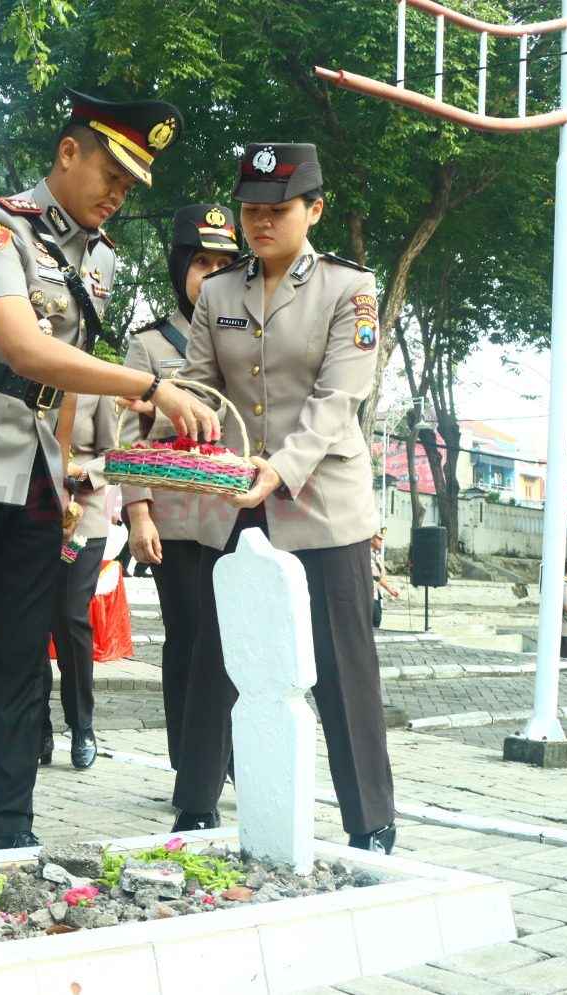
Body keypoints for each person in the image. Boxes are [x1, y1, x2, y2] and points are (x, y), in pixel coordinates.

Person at [0, 88, 219, 859]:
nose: (117, 193)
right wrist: (147, 385)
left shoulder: (98, 256)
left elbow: (61, 386)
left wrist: (69, 472)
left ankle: (9, 827)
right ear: (68, 152)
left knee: (22, 655)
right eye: (110, 172)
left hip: (35, 472)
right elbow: (26, 351)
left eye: (131, 185)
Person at [172, 142, 397, 853]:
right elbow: (201, 383)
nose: (260, 223)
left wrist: (284, 466)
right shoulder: (217, 292)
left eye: (277, 210)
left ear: (314, 209)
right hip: (237, 494)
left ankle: (371, 820)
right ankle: (195, 805)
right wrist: (179, 424)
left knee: (341, 660)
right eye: (250, 210)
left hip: (322, 498)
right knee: (215, 652)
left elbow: (340, 399)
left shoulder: (349, 289)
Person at [123, 203, 241, 767]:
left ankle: (236, 757)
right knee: (189, 638)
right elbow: (131, 437)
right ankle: (192, 762)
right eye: (201, 262)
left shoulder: (247, 339)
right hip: (175, 521)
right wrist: (139, 513)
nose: (212, 274)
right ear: (179, 269)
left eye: (225, 263)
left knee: (237, 640)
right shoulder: (151, 346)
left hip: (238, 516)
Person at [39, 395, 118, 770]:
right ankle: (36, 726)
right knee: (30, 624)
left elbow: (113, 455)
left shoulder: (95, 389)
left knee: (71, 619)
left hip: (81, 521)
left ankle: (82, 725)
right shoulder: (28, 373)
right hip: (31, 515)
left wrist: (83, 473)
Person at [371, 532, 400, 629]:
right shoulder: (366, 555)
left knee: (377, 620)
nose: (381, 542)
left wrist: (391, 590)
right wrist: (389, 589)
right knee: (374, 620)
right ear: (371, 539)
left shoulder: (377, 555)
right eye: (379, 539)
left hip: (376, 593)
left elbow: (381, 576)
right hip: (368, 593)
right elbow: (376, 576)